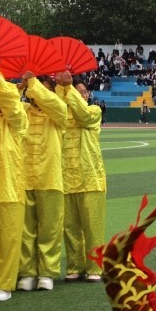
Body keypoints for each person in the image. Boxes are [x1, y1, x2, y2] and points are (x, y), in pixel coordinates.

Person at [17, 73, 67, 292]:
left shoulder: (58, 113)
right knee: (25, 229)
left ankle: (47, 272)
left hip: (50, 177)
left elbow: (56, 105)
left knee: (50, 228)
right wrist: (19, 88)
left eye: (47, 90)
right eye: (37, 89)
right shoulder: (22, 111)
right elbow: (7, 106)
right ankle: (27, 272)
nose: (40, 94)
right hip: (24, 178)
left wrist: (34, 84)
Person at [55, 72, 107, 283]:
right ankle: (75, 266)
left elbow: (83, 115)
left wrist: (69, 89)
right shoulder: (61, 117)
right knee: (70, 228)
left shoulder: (94, 111)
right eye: (80, 92)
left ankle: (94, 267)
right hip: (67, 177)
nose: (84, 95)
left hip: (90, 178)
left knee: (93, 226)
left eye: (85, 92)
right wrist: (63, 88)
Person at [0, 72, 28, 301]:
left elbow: (12, 104)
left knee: (8, 239)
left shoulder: (17, 120)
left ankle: (4, 283)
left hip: (8, 188)